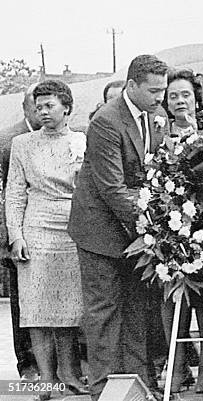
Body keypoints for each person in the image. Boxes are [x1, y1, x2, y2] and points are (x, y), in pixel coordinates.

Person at [68, 55, 169, 401]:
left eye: (163, 91)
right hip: (99, 232)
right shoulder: (106, 121)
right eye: (154, 91)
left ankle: (139, 388)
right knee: (104, 312)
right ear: (132, 86)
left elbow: (159, 173)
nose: (160, 98)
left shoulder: (158, 118)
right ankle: (103, 391)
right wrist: (151, 225)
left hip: (135, 231)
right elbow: (111, 187)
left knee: (137, 310)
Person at [4, 80, 88, 400]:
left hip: (70, 229)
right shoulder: (22, 144)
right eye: (39, 107)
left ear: (66, 107)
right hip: (35, 230)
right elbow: (13, 195)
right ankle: (47, 379)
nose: (43, 112)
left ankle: (69, 373)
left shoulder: (80, 140)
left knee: (67, 308)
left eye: (50, 106)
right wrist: (16, 237)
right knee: (36, 308)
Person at [161, 68, 203, 394]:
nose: (180, 101)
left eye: (186, 94)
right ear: (166, 103)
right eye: (173, 96)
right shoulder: (159, 135)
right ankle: (177, 368)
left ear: (196, 98)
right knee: (172, 299)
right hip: (170, 226)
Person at [0, 83, 42, 381]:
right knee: (22, 303)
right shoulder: (8, 140)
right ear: (25, 107)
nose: (42, 110)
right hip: (16, 235)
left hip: (48, 232)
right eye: (36, 104)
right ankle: (27, 365)